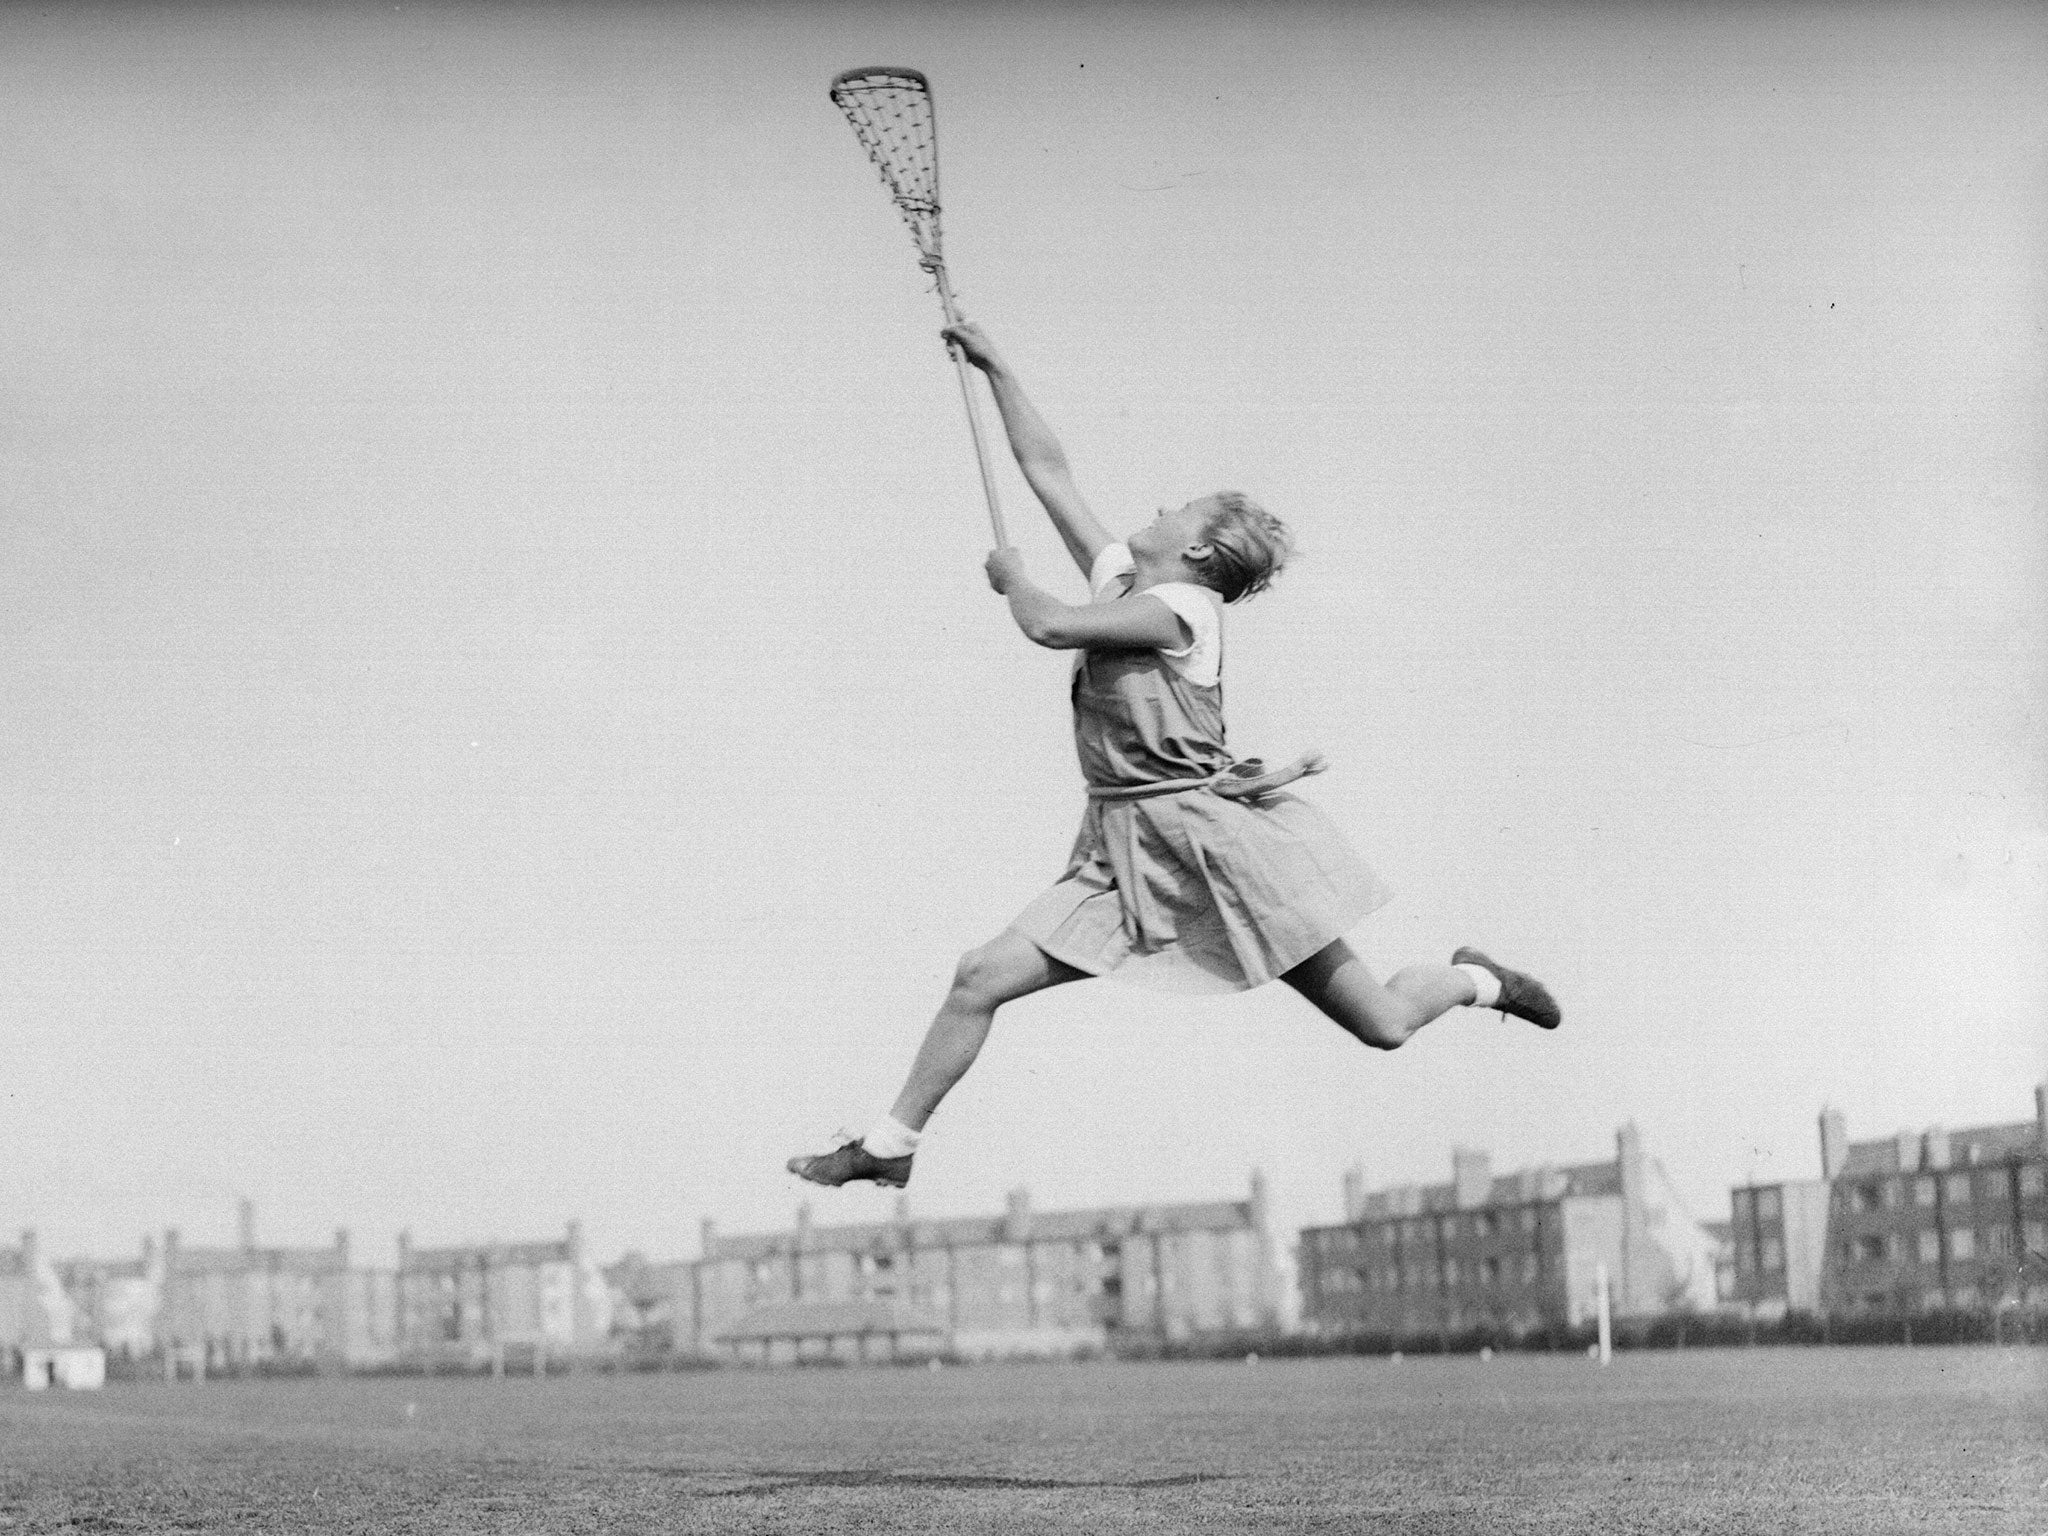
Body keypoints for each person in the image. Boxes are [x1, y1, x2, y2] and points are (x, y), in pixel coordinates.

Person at [788, 320, 1558, 1190]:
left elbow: (1048, 625)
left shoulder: (1185, 611)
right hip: (1120, 847)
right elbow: (1049, 470)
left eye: (1177, 510)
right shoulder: (1127, 578)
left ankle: (1473, 981)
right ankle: (890, 1148)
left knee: (1380, 1023)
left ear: (1195, 552)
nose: (1155, 509)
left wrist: (1014, 580)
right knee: (979, 977)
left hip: (1213, 847)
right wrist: (998, 365)